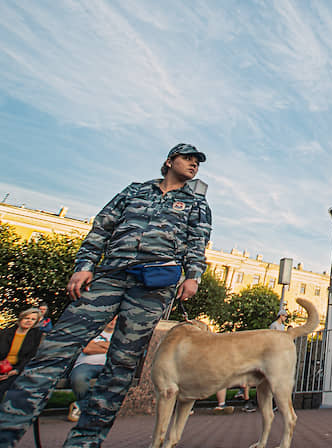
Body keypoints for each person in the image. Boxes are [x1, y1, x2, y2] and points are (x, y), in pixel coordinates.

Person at [0, 143, 212, 448]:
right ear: (169, 161)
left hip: (152, 287)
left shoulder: (196, 204)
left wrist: (193, 277)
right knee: (55, 349)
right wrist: (84, 265)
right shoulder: (134, 191)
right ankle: (7, 431)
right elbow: (102, 228)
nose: (194, 165)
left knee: (121, 366)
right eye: (188, 159)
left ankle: (85, 442)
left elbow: (197, 244)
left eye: (197, 162)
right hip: (110, 276)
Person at [67, 317, 117, 422]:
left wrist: (97, 345)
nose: (112, 322)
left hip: (106, 366)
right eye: (111, 319)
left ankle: (82, 406)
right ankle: (87, 407)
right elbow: (87, 349)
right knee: (78, 378)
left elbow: (116, 351)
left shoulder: (118, 335)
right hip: (86, 364)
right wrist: (108, 347)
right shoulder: (93, 331)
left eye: (115, 320)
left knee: (116, 378)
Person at [0, 309, 42, 399]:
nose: (29, 321)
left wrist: (16, 370)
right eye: (26, 318)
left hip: (18, 369)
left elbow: (31, 356)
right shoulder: (5, 333)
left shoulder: (36, 336)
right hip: (2, 365)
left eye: (33, 319)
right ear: (20, 319)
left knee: (5, 385)